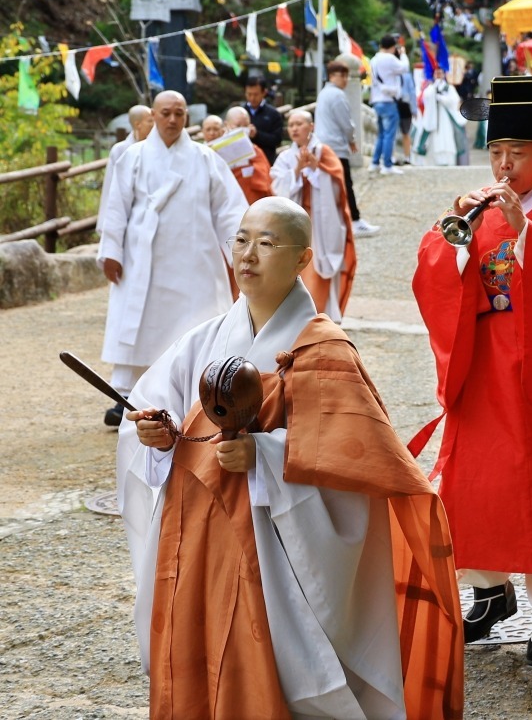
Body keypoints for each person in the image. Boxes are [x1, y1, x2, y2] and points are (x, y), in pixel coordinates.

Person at [118, 197, 463, 718]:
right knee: (200, 645)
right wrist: (158, 435)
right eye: (241, 240)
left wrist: (264, 454)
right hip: (201, 535)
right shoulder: (207, 337)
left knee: (275, 669)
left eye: (267, 243)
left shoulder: (326, 351)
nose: (248, 255)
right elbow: (158, 409)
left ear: (303, 260)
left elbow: (356, 461)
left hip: (271, 547)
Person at [411, 75, 532, 667]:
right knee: (480, 483)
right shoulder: (478, 204)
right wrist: (458, 245)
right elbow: (432, 269)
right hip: (488, 359)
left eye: (515, 154)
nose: (502, 165)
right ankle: (489, 591)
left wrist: (529, 233)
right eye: (495, 153)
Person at [97, 90, 248, 427]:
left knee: (197, 327)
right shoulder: (133, 157)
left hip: (195, 260)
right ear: (154, 114)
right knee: (143, 328)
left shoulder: (205, 158)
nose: (172, 120)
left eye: (179, 113)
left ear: (186, 118)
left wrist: (241, 251)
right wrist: (111, 251)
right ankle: (130, 398)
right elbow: (116, 207)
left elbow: (228, 210)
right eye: (165, 113)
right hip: (143, 260)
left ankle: (199, 396)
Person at [270, 110, 356, 323]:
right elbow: (277, 186)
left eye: (300, 124)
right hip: (295, 224)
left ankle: (321, 314)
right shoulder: (285, 157)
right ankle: (295, 315)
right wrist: (297, 171)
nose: (295, 128)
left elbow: (338, 186)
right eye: (291, 125)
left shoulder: (324, 152)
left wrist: (317, 168)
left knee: (318, 265)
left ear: (311, 126)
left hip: (321, 223)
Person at [315, 60, 380, 237]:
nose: (344, 79)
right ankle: (355, 221)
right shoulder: (336, 95)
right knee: (345, 184)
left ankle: (341, 222)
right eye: (341, 75)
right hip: (335, 145)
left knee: (333, 185)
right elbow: (346, 123)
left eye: (346, 75)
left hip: (324, 144)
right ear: (331, 76)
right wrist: (351, 139)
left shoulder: (324, 93)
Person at [98, 104, 153, 239]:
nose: (154, 125)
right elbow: (110, 186)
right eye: (150, 121)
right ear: (137, 124)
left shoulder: (155, 148)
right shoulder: (120, 150)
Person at [204, 109, 273, 205]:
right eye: (238, 126)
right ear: (227, 125)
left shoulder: (256, 151)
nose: (242, 130)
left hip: (253, 202)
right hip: (228, 201)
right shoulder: (215, 151)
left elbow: (266, 179)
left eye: (245, 126)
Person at [369, 35, 404, 174]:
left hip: (376, 100)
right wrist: (403, 55)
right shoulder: (389, 58)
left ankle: (375, 162)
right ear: (392, 47)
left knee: (381, 134)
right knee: (389, 135)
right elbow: (404, 68)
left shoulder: (373, 60)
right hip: (388, 101)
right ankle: (387, 165)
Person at [419, 66, 467, 167]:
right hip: (433, 118)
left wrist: (442, 98)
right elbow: (425, 97)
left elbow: (454, 100)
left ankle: (448, 159)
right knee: (434, 138)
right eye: (437, 73)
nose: (438, 75)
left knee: (446, 137)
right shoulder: (430, 88)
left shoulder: (449, 88)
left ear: (444, 74)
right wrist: (433, 91)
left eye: (440, 73)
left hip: (446, 118)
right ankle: (433, 160)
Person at [243, 76, 285, 165]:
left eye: (255, 94)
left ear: (264, 92)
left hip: (265, 163)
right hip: (242, 164)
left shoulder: (273, 114)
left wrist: (257, 135)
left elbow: (277, 140)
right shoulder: (239, 112)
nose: (252, 98)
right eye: (249, 94)